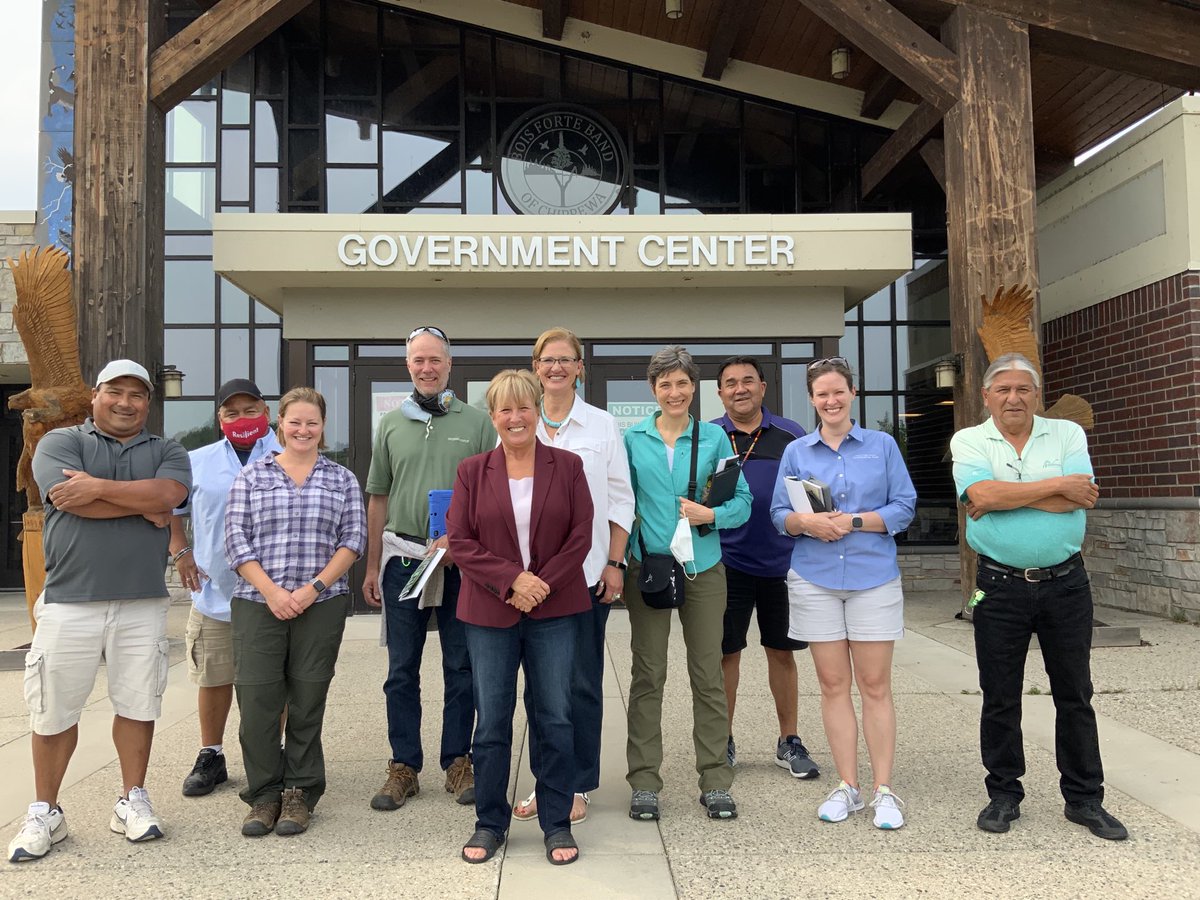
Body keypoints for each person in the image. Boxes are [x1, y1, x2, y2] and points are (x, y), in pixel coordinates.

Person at [8, 360, 191, 863]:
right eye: (115, 392)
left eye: (137, 395)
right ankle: (47, 810)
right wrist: (141, 506)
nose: (126, 402)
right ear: (95, 396)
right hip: (69, 602)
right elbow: (66, 500)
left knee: (138, 705)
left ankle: (131, 800)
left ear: (148, 403)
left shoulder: (167, 450)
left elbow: (169, 495)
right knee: (52, 710)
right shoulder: (61, 443)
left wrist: (99, 488)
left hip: (142, 601)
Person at [950, 352, 1127, 841]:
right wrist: (1056, 489)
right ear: (986, 396)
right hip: (998, 586)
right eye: (1003, 389)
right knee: (1000, 695)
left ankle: (1085, 799)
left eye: (1023, 389)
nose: (1013, 397)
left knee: (1075, 694)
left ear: (1036, 395)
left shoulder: (1068, 435)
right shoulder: (968, 439)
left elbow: (1083, 495)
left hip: (1066, 584)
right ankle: (1004, 794)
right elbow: (978, 499)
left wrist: (1010, 493)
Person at [448, 369, 594, 866]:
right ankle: (490, 822)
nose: (516, 417)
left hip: (555, 608)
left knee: (554, 716)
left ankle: (555, 822)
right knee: (490, 722)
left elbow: (581, 535)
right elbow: (460, 541)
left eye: (524, 407)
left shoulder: (568, 466)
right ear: (493, 417)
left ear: (538, 411)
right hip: (489, 611)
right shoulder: (472, 471)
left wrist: (540, 584)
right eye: (505, 409)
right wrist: (512, 579)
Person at [770, 356, 915, 829]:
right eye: (821, 394)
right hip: (815, 579)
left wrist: (852, 521)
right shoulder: (797, 452)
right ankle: (848, 786)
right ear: (811, 400)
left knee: (875, 686)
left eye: (838, 391)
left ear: (853, 393)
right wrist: (806, 522)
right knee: (833, 686)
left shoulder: (882, 446)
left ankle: (884, 791)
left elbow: (904, 507)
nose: (830, 401)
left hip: (873, 577)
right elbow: (778, 514)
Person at [362, 325, 497, 811]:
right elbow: (378, 495)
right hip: (405, 559)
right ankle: (404, 765)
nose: (426, 368)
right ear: (408, 366)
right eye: (418, 360)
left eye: (434, 360)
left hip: (461, 563)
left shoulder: (478, 422)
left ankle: (458, 761)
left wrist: (469, 542)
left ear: (449, 364)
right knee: (402, 669)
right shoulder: (391, 425)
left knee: (462, 666)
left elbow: (491, 494)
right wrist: (373, 564)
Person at [224, 387, 366, 837]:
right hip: (257, 604)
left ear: (323, 428)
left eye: (312, 423)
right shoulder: (252, 476)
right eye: (295, 421)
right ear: (279, 424)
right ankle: (264, 795)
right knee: (258, 701)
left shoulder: (341, 479)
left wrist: (313, 588)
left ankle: (299, 793)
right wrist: (271, 592)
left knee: (307, 700)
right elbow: (236, 541)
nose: (303, 430)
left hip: (320, 604)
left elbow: (353, 541)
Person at [623, 345, 752, 822]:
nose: (674, 392)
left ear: (693, 387)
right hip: (649, 568)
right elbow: (620, 502)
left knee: (708, 676)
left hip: (704, 567)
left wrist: (711, 513)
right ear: (652, 390)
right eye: (664, 385)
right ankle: (644, 782)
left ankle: (716, 779)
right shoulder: (633, 439)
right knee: (648, 675)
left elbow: (743, 502)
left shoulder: (716, 440)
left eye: (681, 383)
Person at [512, 328, 634, 827]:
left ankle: (577, 781)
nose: (556, 367)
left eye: (566, 359)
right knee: (538, 689)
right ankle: (547, 782)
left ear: (580, 367)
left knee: (580, 684)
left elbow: (621, 499)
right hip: (524, 582)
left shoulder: (602, 426)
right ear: (535, 366)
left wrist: (615, 562)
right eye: (547, 359)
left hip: (584, 578)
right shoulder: (519, 422)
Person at [169, 378, 282, 797]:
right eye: (231, 412)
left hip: (275, 590)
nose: (241, 419)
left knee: (273, 679)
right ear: (219, 419)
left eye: (250, 410)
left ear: (266, 413)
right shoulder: (196, 460)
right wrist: (181, 552)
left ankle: (274, 753)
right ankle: (211, 755)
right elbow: (172, 510)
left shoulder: (289, 455)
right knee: (213, 676)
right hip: (216, 591)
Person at [712, 356, 819, 779]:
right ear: (720, 392)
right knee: (726, 654)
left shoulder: (791, 435)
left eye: (748, 381)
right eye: (731, 383)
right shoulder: (709, 437)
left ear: (762, 388)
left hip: (783, 564)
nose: (740, 389)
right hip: (726, 563)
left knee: (782, 652)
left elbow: (813, 496)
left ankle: (788, 740)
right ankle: (723, 739)